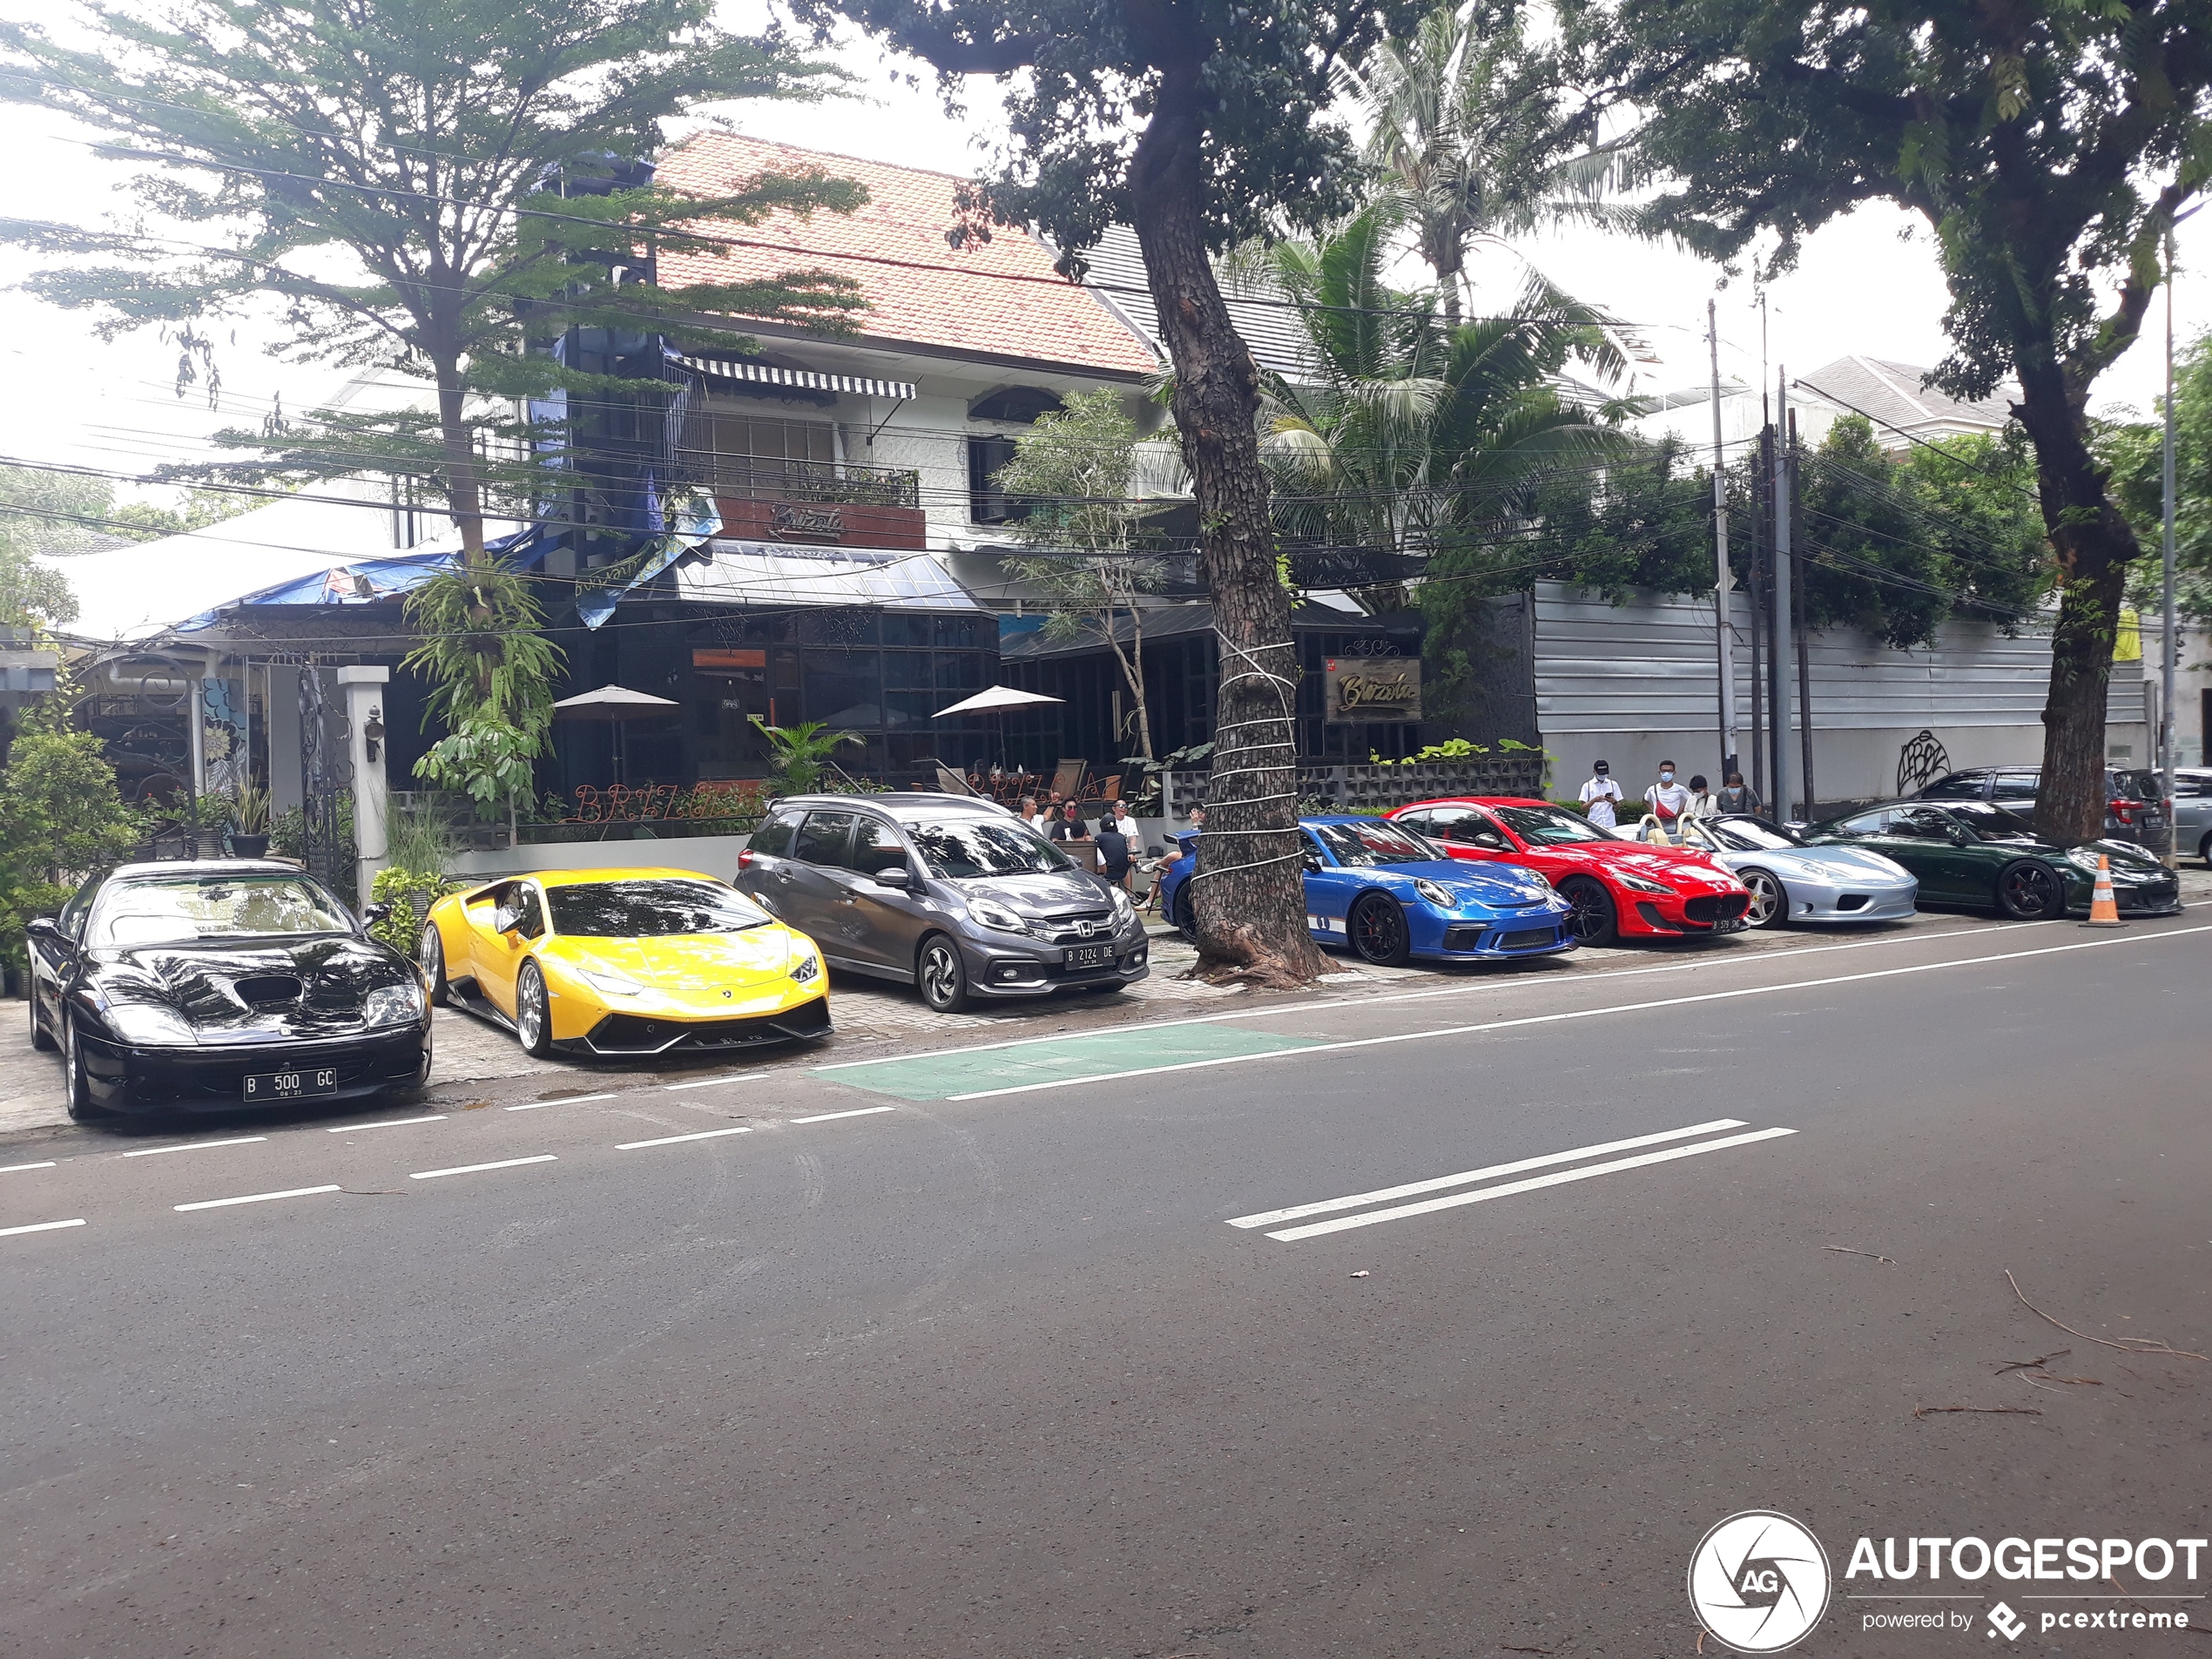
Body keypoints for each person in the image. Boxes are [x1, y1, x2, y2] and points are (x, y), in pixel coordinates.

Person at [1577, 760, 1624, 830]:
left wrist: (1613, 801)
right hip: (1594, 824)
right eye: (1600, 773)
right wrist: (1594, 801)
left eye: (1604, 773)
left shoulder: (1613, 784)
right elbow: (1583, 808)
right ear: (1594, 772)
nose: (1602, 775)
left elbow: (1618, 807)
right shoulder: (1587, 785)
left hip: (1610, 824)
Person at [1644, 760, 1690, 828]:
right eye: (1663, 771)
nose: (1666, 773)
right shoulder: (1652, 789)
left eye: (1669, 771)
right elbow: (1645, 800)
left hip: (1674, 823)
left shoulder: (1680, 789)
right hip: (1657, 823)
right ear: (1659, 772)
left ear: (1674, 772)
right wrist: (1652, 810)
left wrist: (1681, 810)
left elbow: (1691, 799)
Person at [1094, 810, 1133, 892]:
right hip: (1123, 872)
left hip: (1108, 873)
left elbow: (1098, 856)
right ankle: (1129, 894)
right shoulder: (1122, 837)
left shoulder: (1099, 838)